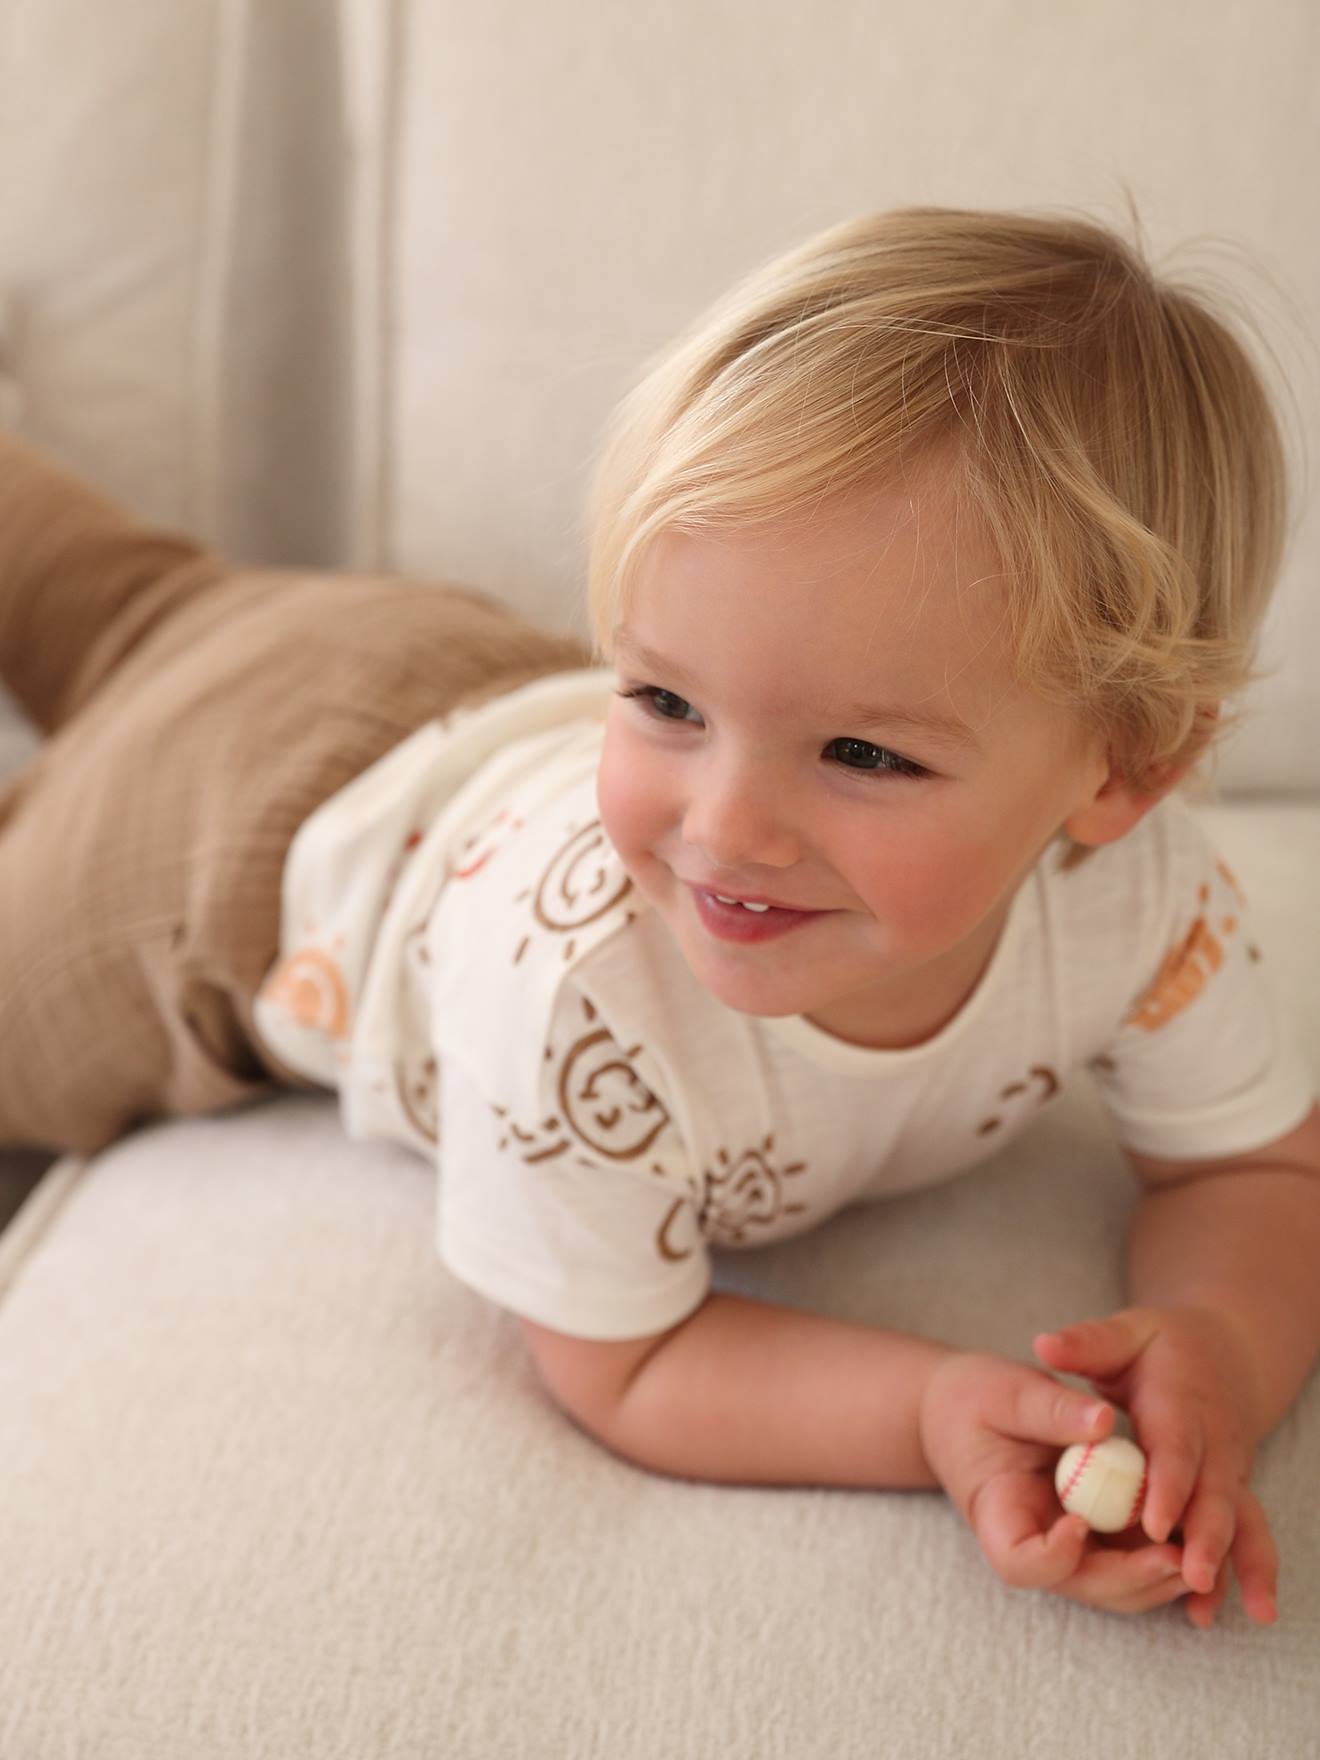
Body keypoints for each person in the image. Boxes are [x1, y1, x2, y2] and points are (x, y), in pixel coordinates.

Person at [2, 206, 1317, 1631]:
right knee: (102, 615)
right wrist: (918, 1406)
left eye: (864, 756)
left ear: (1124, 771)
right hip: (222, 865)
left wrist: (1225, 1352)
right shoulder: (584, 990)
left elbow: (1261, 1176)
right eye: (669, 699)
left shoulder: (1143, 901)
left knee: (133, 606)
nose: (724, 828)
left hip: (440, 681)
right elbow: (626, 1364)